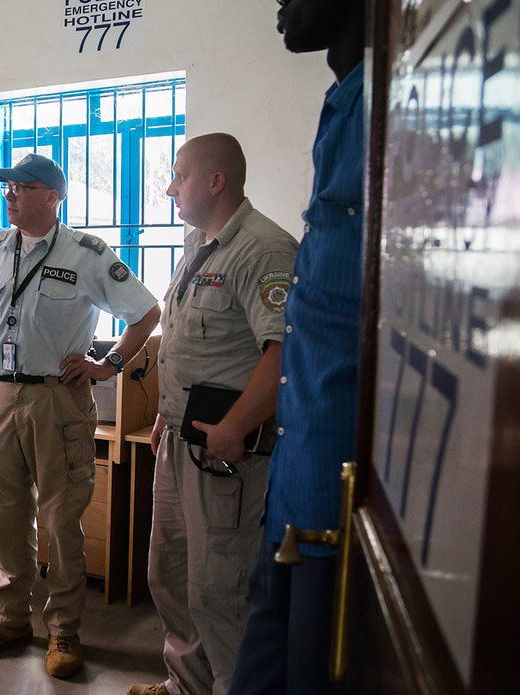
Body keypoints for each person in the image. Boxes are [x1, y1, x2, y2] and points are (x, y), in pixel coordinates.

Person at [0, 153, 161, 678]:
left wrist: (107, 366)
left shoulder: (87, 254)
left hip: (57, 398)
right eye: (7, 187)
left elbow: (147, 312)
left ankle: (64, 629)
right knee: (6, 510)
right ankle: (9, 618)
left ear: (53, 196)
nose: (9, 195)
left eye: (21, 187)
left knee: (62, 518)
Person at [127, 134, 297, 695]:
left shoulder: (263, 250)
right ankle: (188, 687)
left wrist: (235, 426)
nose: (170, 187)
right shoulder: (199, 242)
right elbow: (185, 340)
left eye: (179, 176)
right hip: (181, 439)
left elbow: (284, 352)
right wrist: (165, 416)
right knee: (170, 577)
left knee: (220, 590)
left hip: (228, 453)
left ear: (215, 181)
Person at [228, 2, 366, 694]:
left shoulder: (387, 109)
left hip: (338, 489)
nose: (279, 6)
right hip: (297, 471)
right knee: (264, 659)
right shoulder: (344, 100)